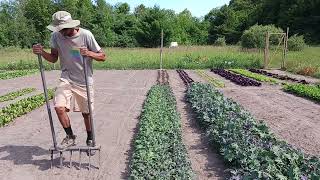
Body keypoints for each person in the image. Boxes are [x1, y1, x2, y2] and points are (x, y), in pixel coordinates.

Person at [32, 11, 106, 149]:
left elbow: (102, 56)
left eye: (63, 29)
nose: (61, 32)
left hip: (84, 79)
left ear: (72, 25)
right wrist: (42, 52)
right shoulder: (56, 36)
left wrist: (89, 53)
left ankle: (90, 137)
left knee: (86, 113)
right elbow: (54, 58)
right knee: (59, 107)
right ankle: (70, 136)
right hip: (66, 78)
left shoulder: (86, 35)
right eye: (59, 29)